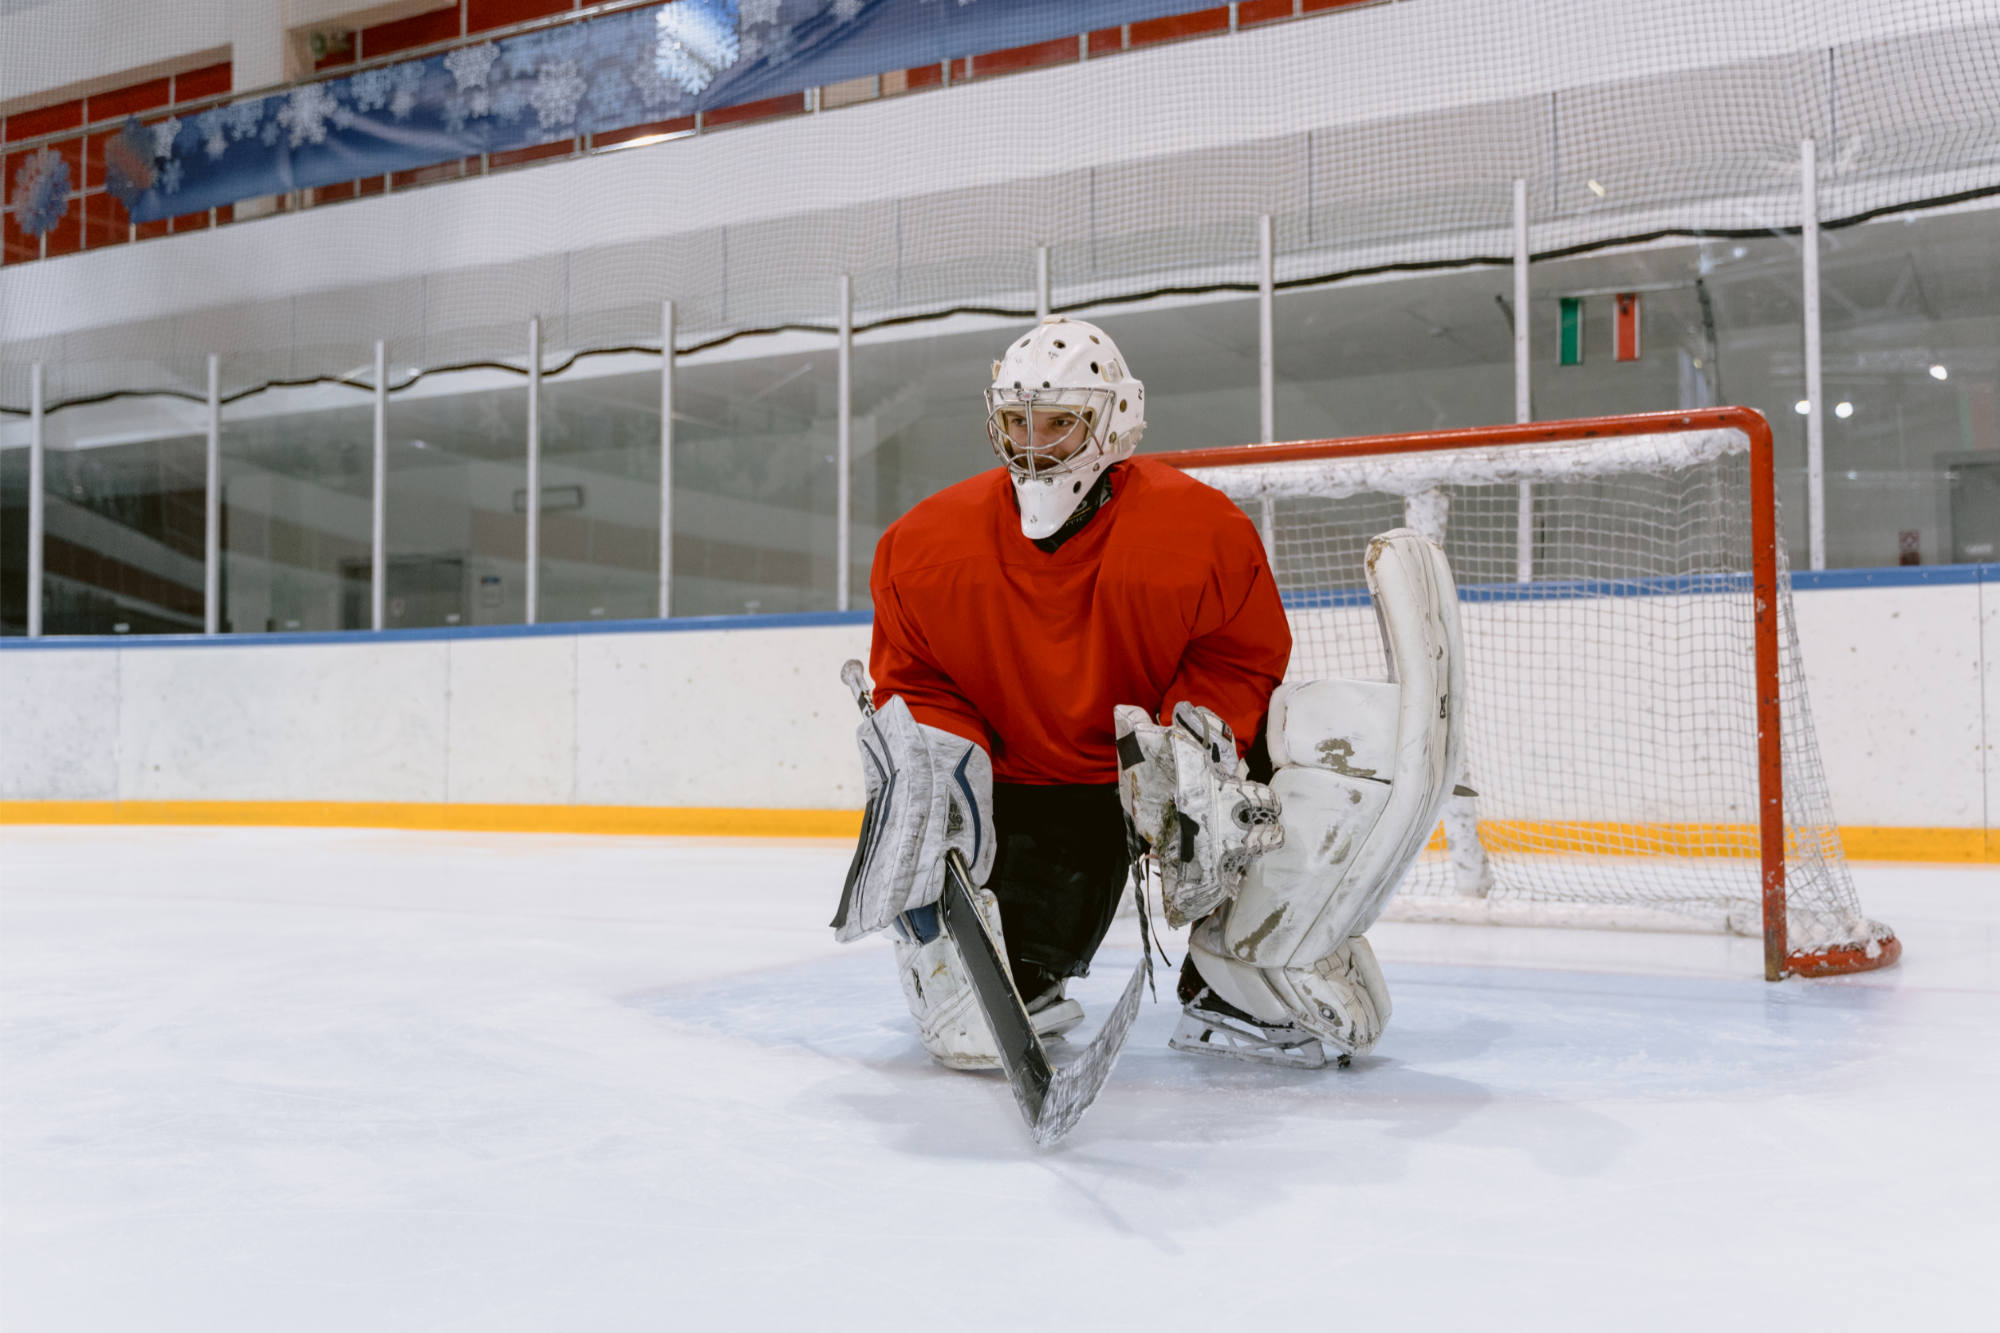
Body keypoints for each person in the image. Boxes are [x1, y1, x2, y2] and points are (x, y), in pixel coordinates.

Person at [832, 316, 1463, 1072]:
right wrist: (938, 778)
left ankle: (1239, 977)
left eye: (1059, 423)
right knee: (1014, 975)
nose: (1033, 444)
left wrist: (1191, 745)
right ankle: (975, 963)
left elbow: (1239, 659)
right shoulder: (923, 547)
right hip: (1031, 795)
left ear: (1112, 422)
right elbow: (919, 683)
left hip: (1146, 776)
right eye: (1016, 421)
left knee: (1306, 753)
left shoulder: (1198, 531)